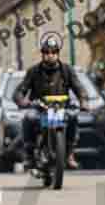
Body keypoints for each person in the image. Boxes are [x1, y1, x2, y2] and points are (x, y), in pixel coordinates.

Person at [13, 37, 89, 170]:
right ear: (42, 54)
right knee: (29, 118)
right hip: (39, 108)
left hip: (62, 107)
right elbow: (20, 90)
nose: (50, 55)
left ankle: (70, 154)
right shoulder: (33, 71)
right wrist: (22, 101)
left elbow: (79, 87)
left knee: (72, 117)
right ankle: (29, 156)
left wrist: (83, 101)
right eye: (47, 52)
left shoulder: (67, 70)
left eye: (53, 52)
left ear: (57, 53)